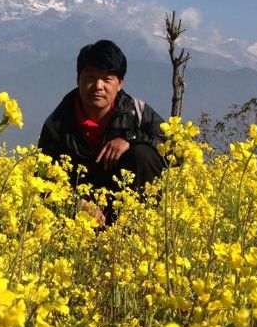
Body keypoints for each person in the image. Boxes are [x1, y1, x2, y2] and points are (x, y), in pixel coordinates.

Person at [38, 39, 168, 224]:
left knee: (144, 154)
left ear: (120, 83)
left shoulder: (136, 112)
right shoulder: (58, 124)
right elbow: (42, 178)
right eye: (90, 77)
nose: (98, 86)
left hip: (127, 210)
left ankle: (134, 231)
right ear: (78, 79)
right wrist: (77, 204)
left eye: (107, 79)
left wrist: (130, 139)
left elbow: (176, 148)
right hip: (80, 215)